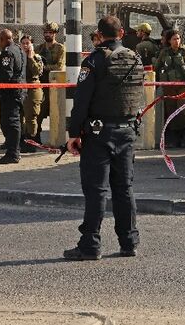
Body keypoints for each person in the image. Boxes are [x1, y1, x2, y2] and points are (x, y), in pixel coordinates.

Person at [64, 16, 145, 261]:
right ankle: (129, 242)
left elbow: (81, 101)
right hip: (127, 131)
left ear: (99, 34)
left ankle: (90, 245)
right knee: (124, 189)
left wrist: (74, 134)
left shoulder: (95, 61)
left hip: (99, 135)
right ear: (121, 32)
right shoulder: (136, 58)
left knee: (96, 191)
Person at [154, 30, 185, 148]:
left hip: (183, 85)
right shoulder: (164, 53)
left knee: (184, 112)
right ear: (169, 40)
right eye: (174, 39)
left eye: (178, 38)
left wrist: (183, 67)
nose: (176, 41)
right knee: (172, 112)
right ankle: (174, 139)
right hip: (169, 87)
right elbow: (157, 68)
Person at [0, 29, 26, 165]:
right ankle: (14, 151)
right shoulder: (19, 50)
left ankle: (13, 153)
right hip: (19, 91)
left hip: (10, 93)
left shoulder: (8, 52)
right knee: (14, 121)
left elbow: (6, 75)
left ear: (4, 39)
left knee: (10, 122)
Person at [36, 22, 65, 143]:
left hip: (54, 85)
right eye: (46, 32)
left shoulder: (60, 48)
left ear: (55, 34)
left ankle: (56, 139)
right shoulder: (39, 48)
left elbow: (59, 67)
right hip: (41, 84)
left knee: (55, 113)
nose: (47, 35)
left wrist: (43, 67)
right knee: (38, 113)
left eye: (50, 32)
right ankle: (35, 136)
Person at [20, 35, 44, 154]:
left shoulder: (37, 57)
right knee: (21, 117)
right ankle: (22, 140)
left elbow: (37, 72)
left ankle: (32, 141)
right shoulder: (18, 58)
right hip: (21, 88)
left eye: (27, 43)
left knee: (31, 116)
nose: (25, 45)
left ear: (32, 44)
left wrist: (30, 58)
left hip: (33, 88)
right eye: (23, 43)